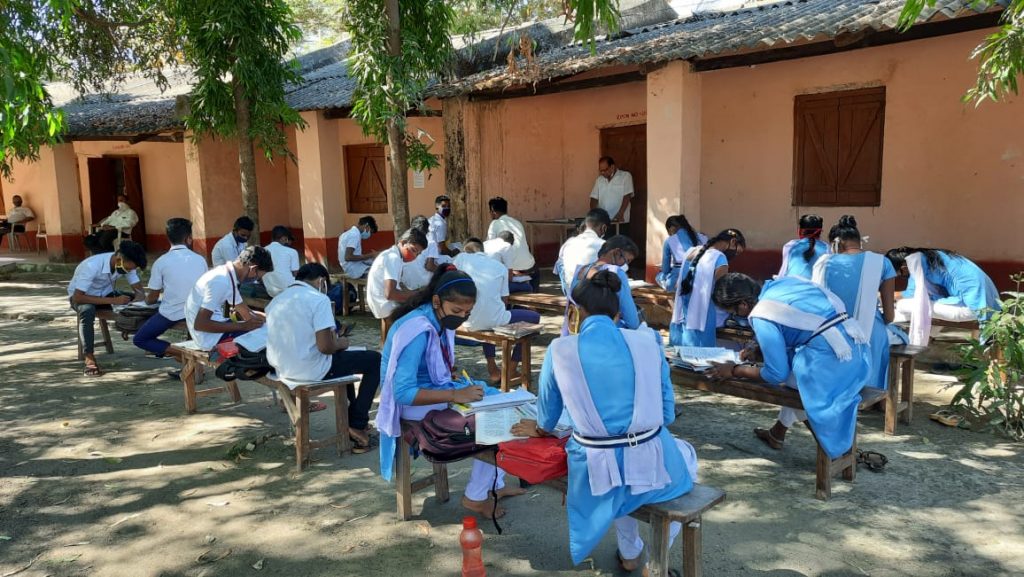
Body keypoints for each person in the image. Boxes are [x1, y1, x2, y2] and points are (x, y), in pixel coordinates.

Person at [511, 270, 697, 571]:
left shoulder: (559, 350)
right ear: (619, 312)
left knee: (620, 479)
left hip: (593, 470)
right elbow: (667, 414)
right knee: (682, 458)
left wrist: (540, 429)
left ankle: (630, 552)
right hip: (649, 457)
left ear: (576, 313)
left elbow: (547, 418)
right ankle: (653, 561)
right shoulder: (648, 341)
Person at [375, 266, 525, 518]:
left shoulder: (436, 318)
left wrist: (450, 380)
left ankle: (494, 485)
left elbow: (431, 366)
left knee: (504, 402)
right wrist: (454, 395)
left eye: (467, 312)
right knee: (494, 418)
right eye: (457, 311)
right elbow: (402, 392)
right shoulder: (418, 330)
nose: (462, 317)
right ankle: (477, 496)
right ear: (437, 301)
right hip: (412, 402)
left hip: (432, 390)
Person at [707, 273, 870, 456]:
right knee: (795, 377)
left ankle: (836, 448)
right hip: (858, 357)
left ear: (743, 305)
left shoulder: (761, 315)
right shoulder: (781, 283)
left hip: (831, 368)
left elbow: (777, 374)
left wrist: (735, 370)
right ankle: (777, 432)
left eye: (734, 313)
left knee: (793, 385)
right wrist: (757, 344)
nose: (736, 317)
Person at [266, 263, 381, 452]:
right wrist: (342, 343)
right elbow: (326, 347)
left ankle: (352, 417)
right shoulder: (318, 299)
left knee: (347, 361)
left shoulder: (276, 301)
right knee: (374, 360)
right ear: (321, 282)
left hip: (282, 367)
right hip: (310, 370)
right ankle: (357, 423)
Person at [811, 215, 896, 391]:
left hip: (832, 330)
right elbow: (889, 316)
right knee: (890, 336)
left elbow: (815, 304)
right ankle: (877, 395)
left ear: (836, 244)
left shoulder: (823, 263)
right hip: (870, 333)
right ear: (859, 241)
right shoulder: (882, 262)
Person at [453, 238, 542, 384]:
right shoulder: (499, 267)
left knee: (489, 320)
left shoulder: (460, 259)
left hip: (466, 318)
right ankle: (512, 369)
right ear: (482, 250)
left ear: (466, 250)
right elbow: (504, 300)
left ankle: (493, 369)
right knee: (534, 318)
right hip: (489, 318)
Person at [886, 246, 1001, 345]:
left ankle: (898, 337)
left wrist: (882, 295)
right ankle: (925, 338)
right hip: (983, 306)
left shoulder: (916, 262)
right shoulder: (933, 257)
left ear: (904, 267)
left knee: (903, 306)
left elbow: (911, 295)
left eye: (899, 274)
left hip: (973, 308)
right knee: (928, 305)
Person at [68, 240, 147, 376]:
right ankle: (89, 358)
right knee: (87, 311)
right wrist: (114, 301)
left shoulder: (125, 264)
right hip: (84, 297)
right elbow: (77, 297)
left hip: (105, 294)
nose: (130, 271)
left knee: (140, 304)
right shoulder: (92, 266)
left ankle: (138, 337)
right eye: (129, 268)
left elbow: (139, 292)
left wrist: (137, 301)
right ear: (119, 259)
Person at [133, 218, 208, 359]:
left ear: (168, 238)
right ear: (189, 239)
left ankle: (182, 353)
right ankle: (184, 354)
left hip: (172, 313)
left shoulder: (161, 262)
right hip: (198, 311)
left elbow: (153, 297)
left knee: (140, 339)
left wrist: (147, 301)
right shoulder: (200, 259)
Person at [185, 246, 272, 350]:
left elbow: (245, 312)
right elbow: (200, 324)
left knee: (266, 331)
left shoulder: (229, 275)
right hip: (209, 339)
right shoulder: (220, 281)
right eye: (258, 277)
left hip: (215, 330)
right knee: (267, 341)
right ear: (253, 269)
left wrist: (271, 319)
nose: (256, 280)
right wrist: (244, 326)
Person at [670, 229, 746, 347]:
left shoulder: (691, 251)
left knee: (681, 359)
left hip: (681, 316)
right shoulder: (720, 259)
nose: (735, 255)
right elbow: (723, 294)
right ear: (733, 241)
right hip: (702, 317)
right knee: (701, 360)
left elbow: (677, 285)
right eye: (737, 252)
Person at [564, 235, 641, 335]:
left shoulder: (580, 270)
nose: (625, 265)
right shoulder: (617, 273)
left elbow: (569, 310)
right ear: (616, 253)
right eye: (627, 260)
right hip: (605, 335)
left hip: (576, 332)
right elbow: (632, 321)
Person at [367, 228, 428, 320]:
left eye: (418, 254)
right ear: (403, 242)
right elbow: (390, 294)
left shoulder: (393, 255)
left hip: (381, 302)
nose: (415, 256)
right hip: (384, 305)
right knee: (425, 313)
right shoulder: (393, 258)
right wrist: (417, 295)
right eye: (414, 250)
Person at [485, 197, 538, 292]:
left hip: (512, 269)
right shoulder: (517, 223)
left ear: (493, 211)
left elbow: (490, 248)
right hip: (530, 266)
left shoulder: (495, 223)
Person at [554, 208, 610, 296]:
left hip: (571, 292)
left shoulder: (568, 242)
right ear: (604, 228)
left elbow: (558, 270)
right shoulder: (604, 245)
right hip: (592, 295)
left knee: (560, 264)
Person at [655, 214, 706, 292]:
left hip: (679, 281)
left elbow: (665, 269)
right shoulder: (703, 237)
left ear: (671, 228)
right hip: (702, 279)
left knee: (659, 276)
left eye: (668, 231)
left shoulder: (669, 241)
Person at [589, 156, 633, 233]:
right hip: (603, 223)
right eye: (601, 171)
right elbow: (594, 198)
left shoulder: (625, 176)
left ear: (612, 167)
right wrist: (594, 214)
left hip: (620, 221)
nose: (602, 173)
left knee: (619, 244)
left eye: (605, 170)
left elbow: (627, 196)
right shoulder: (599, 180)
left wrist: (620, 213)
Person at [778, 214, 827, 279]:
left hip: (791, 285)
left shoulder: (790, 246)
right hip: (816, 287)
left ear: (799, 231)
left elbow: (783, 273)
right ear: (820, 232)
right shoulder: (827, 248)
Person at [262, 226, 301, 297]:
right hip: (289, 290)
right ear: (284, 238)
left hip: (271, 291)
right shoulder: (292, 252)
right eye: (287, 239)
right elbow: (296, 274)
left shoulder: (263, 250)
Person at [403, 215, 436, 289]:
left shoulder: (405, 241)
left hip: (407, 284)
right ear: (427, 229)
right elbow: (429, 266)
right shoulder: (431, 242)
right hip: (424, 284)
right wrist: (443, 270)